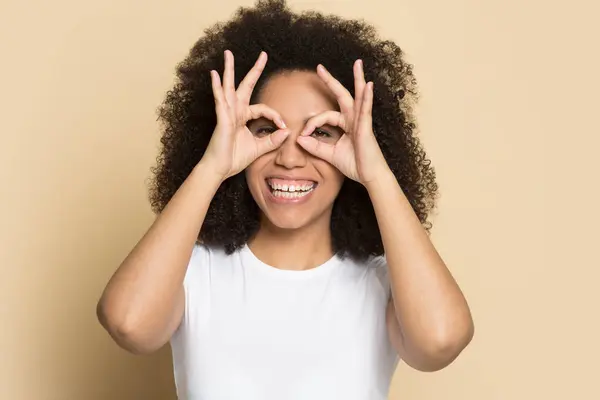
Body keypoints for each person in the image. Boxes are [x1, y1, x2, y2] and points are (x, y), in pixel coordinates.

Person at [97, 0, 474, 399]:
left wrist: (376, 174)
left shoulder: (385, 281)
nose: (290, 158)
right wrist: (213, 166)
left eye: (322, 133)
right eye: (265, 129)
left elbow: (440, 341)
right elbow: (128, 324)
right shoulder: (193, 272)